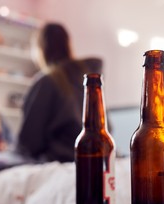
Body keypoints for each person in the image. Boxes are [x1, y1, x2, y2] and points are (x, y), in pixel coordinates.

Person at [16, 22, 104, 163]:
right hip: (102, 155)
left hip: (64, 158)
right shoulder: (87, 77)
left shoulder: (46, 82)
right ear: (68, 44)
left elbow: (29, 142)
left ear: (41, 49)